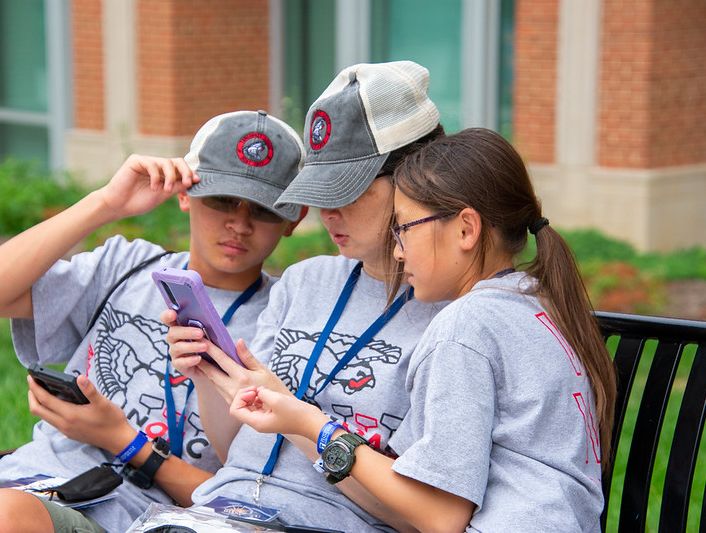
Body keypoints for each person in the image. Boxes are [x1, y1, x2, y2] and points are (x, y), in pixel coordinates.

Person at [230, 127, 619, 532]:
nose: (398, 249)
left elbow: (440, 517)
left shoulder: (464, 326)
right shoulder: (534, 302)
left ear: (467, 229)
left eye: (405, 227)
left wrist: (314, 426)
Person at [0, 110, 307, 533]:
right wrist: (105, 203)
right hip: (14, 484)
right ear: (186, 194)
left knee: (4, 517)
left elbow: (246, 503)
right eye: (223, 199)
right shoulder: (127, 266)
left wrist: (125, 443)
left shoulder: (288, 318)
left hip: (120, 516)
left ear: (294, 219)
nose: (239, 223)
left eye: (263, 209)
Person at [163, 61, 446, 532]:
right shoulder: (304, 281)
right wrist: (206, 378)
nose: (326, 212)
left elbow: (418, 514)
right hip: (217, 511)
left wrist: (302, 423)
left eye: (346, 191)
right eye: (319, 191)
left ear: (417, 180)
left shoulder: (450, 314)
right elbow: (237, 446)